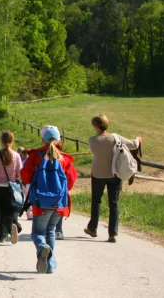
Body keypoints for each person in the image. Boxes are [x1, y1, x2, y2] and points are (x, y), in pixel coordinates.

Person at [22, 126, 78, 274]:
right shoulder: (64, 158)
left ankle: (42, 248)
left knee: (37, 233)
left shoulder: (35, 156)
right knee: (51, 231)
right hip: (59, 203)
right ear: (59, 139)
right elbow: (71, 181)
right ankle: (50, 266)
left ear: (42, 139)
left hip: (41, 203)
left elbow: (25, 176)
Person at [86, 114, 142, 243]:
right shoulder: (116, 137)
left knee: (96, 202)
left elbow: (95, 151)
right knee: (114, 203)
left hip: (98, 174)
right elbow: (133, 145)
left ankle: (93, 228)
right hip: (114, 174)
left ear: (96, 126)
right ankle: (112, 234)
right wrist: (138, 139)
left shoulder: (92, 140)